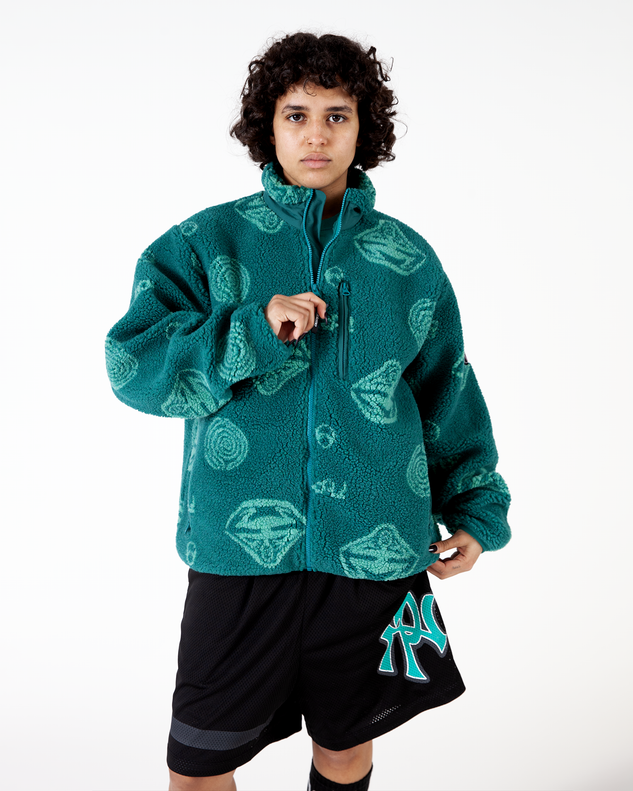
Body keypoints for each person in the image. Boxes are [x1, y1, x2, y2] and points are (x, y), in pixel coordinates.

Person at [105, 31, 511, 791]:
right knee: (198, 764)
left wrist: (475, 509)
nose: (316, 135)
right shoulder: (204, 243)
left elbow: (445, 388)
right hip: (237, 555)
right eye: (296, 115)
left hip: (376, 551)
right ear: (269, 125)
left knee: (346, 751)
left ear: (364, 129)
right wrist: (251, 330)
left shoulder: (407, 258)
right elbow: (133, 367)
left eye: (336, 115)